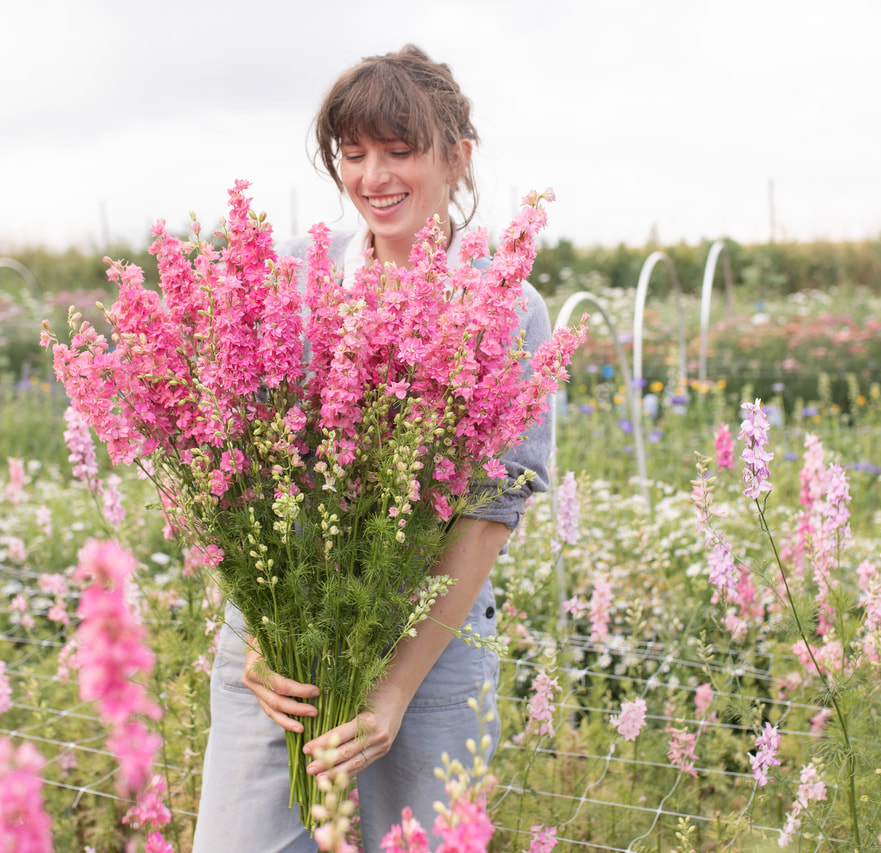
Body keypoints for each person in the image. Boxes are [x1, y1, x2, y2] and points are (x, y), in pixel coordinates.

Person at [191, 45, 553, 852]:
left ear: (457, 157)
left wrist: (390, 691)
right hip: (281, 647)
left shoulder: (503, 303)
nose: (372, 176)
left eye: (399, 150)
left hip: (427, 648)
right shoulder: (287, 278)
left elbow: (488, 516)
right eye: (353, 154)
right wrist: (259, 636)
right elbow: (234, 466)